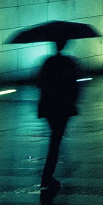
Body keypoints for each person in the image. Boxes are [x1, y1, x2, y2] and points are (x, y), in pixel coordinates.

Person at [35, 39, 82, 192]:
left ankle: (48, 177)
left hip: (49, 107)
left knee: (55, 141)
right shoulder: (69, 62)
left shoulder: (48, 62)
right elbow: (74, 85)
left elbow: (40, 82)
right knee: (55, 143)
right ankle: (47, 177)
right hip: (63, 107)